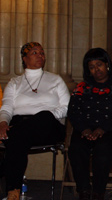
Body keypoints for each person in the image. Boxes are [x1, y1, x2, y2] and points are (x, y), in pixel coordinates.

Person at [0, 42, 70, 200]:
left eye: (42, 53)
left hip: (49, 125)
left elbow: (66, 107)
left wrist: (49, 115)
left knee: (41, 117)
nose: (40, 56)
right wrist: (3, 123)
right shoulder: (15, 83)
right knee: (17, 138)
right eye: (34, 53)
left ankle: (7, 178)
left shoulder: (55, 80)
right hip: (19, 125)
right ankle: (13, 192)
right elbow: (7, 108)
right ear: (24, 58)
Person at [68, 48, 112, 200]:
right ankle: (83, 191)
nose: (96, 70)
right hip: (84, 131)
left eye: (99, 65)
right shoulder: (81, 88)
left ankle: (98, 193)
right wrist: (84, 129)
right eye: (92, 67)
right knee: (76, 149)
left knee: (102, 151)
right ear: (88, 70)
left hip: (110, 131)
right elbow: (73, 112)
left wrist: (103, 129)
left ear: (107, 65)